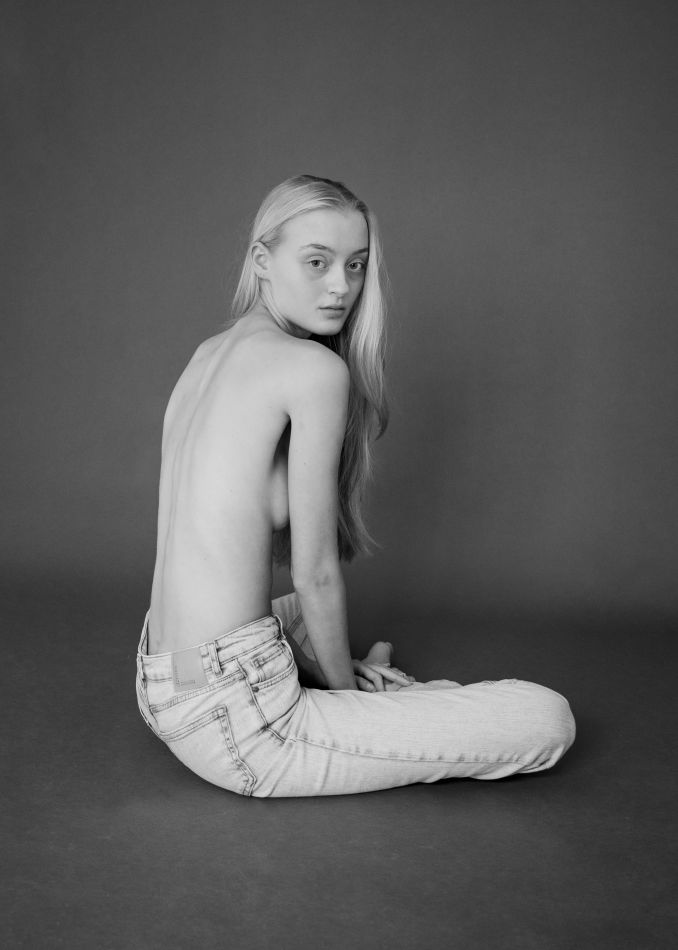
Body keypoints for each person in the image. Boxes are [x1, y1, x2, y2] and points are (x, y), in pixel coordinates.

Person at [136, 174, 575, 796]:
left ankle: (330, 667)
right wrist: (349, 697)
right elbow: (314, 571)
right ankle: (348, 695)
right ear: (261, 260)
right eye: (317, 262)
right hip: (238, 724)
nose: (341, 286)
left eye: (356, 264)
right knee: (547, 718)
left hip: (160, 679)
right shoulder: (312, 369)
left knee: (293, 615)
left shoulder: (208, 354)